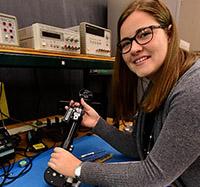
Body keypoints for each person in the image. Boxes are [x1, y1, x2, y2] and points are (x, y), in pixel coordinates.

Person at [48, 0, 200, 186]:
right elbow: (138, 148)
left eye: (144, 34)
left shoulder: (194, 89)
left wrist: (78, 169)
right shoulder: (156, 84)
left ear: (169, 33)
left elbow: (154, 176)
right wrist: (97, 123)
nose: (134, 49)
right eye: (126, 43)